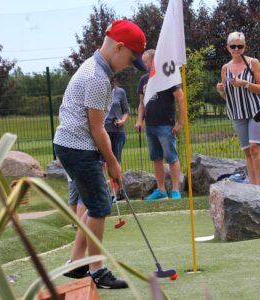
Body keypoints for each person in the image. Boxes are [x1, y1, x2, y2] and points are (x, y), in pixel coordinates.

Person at [53, 19, 147, 289]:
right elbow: (97, 128)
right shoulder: (97, 78)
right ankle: (97, 270)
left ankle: (75, 263)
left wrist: (104, 159)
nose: (130, 65)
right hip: (78, 147)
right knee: (99, 207)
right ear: (118, 47)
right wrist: (113, 163)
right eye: (130, 59)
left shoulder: (95, 69)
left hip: (75, 146)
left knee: (93, 203)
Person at [216, 32, 260, 186]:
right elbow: (227, 97)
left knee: (255, 148)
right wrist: (221, 90)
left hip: (256, 111)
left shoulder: (254, 63)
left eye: (240, 46)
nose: (236, 49)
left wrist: (245, 84)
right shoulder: (225, 68)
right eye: (233, 46)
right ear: (228, 48)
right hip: (237, 113)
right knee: (247, 152)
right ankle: (253, 186)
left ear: (244, 47)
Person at [135, 49, 185, 200]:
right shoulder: (144, 79)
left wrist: (180, 122)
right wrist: (139, 120)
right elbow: (141, 103)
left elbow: (180, 98)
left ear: (153, 60)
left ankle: (175, 190)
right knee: (156, 158)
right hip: (150, 126)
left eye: (145, 61)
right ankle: (161, 190)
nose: (143, 64)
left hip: (165, 125)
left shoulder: (167, 76)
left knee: (172, 158)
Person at [104, 76, 130, 199]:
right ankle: (109, 192)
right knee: (104, 163)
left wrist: (122, 120)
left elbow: (126, 111)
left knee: (115, 162)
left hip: (117, 131)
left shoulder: (120, 92)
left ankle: (118, 191)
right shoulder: (99, 91)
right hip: (103, 132)